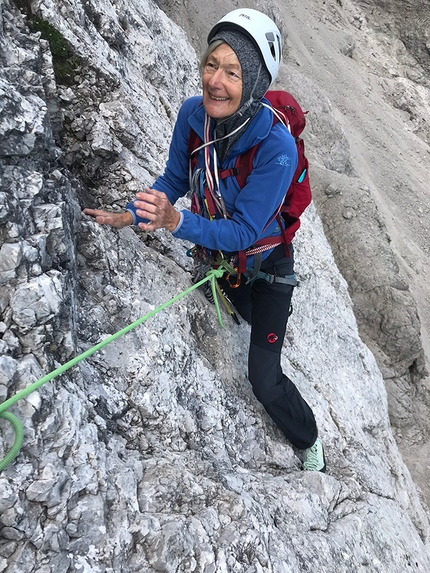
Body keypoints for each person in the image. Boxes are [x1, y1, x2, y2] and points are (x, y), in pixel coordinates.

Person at [83, 8, 325, 472]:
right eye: (211, 65)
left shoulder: (277, 147)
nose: (215, 80)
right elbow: (175, 177)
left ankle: (309, 440)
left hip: (267, 266)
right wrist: (130, 214)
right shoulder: (194, 116)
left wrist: (175, 222)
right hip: (223, 260)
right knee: (241, 314)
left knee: (265, 378)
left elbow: (242, 232)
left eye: (232, 72)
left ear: (252, 83)